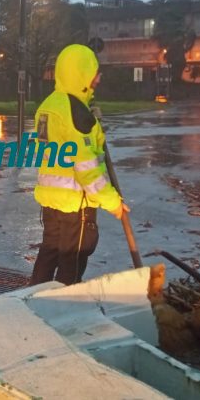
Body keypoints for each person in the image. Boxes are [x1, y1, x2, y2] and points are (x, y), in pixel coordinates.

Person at [29, 44, 129, 286]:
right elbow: (88, 169)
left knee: (49, 252)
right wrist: (113, 203)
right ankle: (64, 308)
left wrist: (91, 116)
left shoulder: (48, 106)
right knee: (72, 263)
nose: (99, 77)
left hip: (51, 201)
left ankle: (30, 300)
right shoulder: (77, 113)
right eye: (95, 72)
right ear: (81, 74)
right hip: (76, 205)